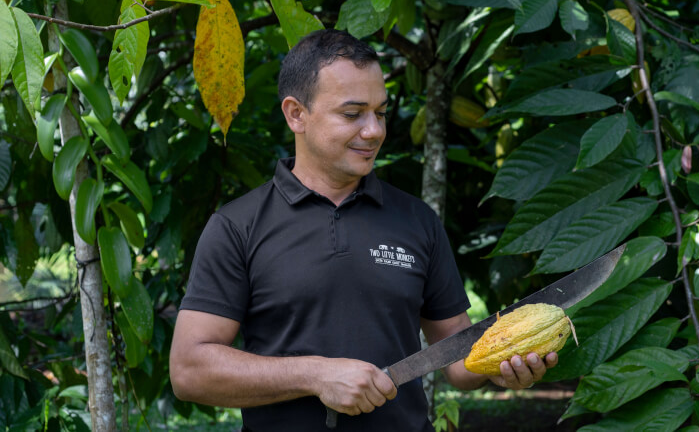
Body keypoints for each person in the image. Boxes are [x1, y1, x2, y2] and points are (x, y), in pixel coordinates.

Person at [169, 29, 558, 431]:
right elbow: (189, 371)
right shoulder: (237, 226)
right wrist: (315, 375)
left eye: (381, 112)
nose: (374, 131)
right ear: (296, 114)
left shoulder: (416, 219)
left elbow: (457, 358)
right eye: (353, 114)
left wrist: (502, 361)